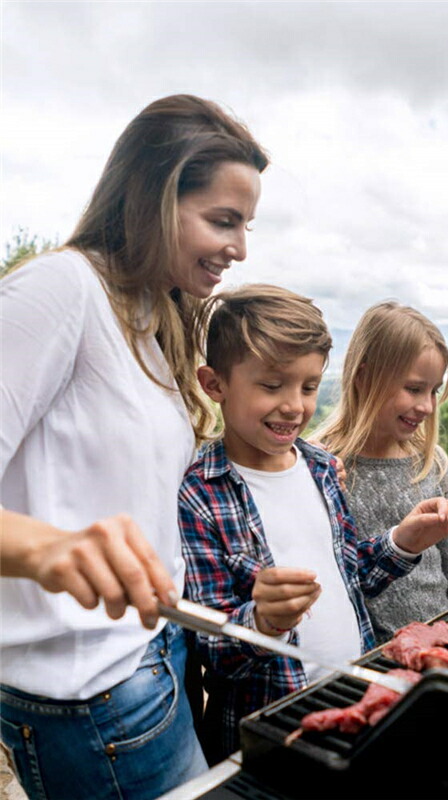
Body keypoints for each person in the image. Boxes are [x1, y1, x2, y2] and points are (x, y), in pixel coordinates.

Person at [0, 94, 268, 800]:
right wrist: (48, 550)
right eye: (223, 220)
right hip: (87, 698)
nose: (240, 247)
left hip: (152, 660)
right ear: (153, 198)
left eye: (246, 224)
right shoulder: (60, 290)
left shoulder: (151, 315)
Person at [178, 285, 448, 764]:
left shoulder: (319, 468)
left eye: (308, 387)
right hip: (273, 724)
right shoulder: (200, 494)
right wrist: (265, 621)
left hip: (355, 697)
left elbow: (352, 575)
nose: (294, 405)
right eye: (272, 385)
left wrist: (403, 541)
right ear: (215, 384)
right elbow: (215, 649)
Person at [315, 301, 448, 644]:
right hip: (370, 658)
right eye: (414, 389)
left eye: (433, 391)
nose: (427, 406)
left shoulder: (432, 463)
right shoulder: (323, 467)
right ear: (363, 377)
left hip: (442, 645)